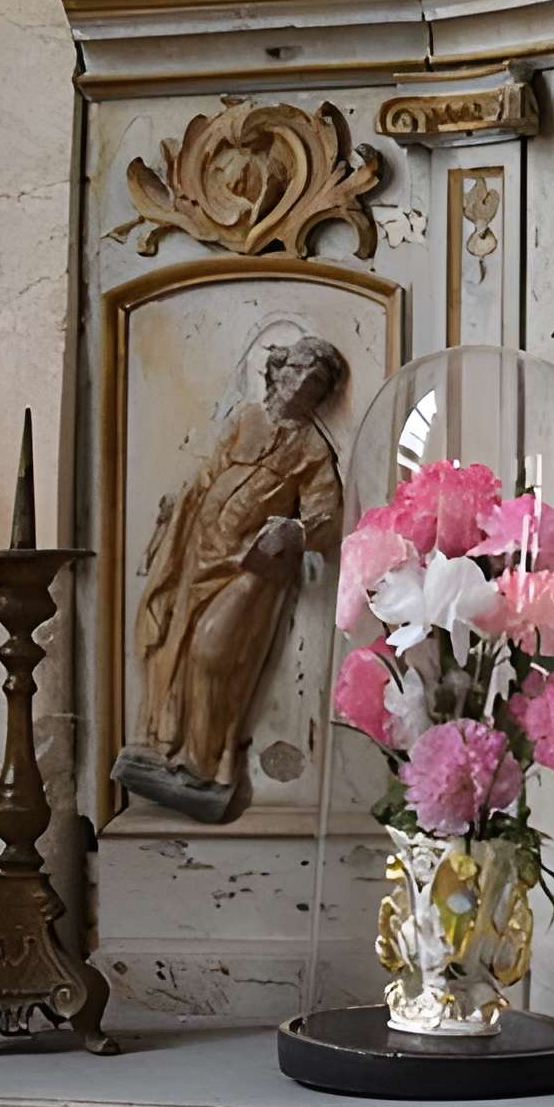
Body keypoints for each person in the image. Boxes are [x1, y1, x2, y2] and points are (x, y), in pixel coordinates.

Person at [114, 338, 348, 824]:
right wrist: (170, 521)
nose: (304, 382)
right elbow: (207, 477)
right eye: (299, 369)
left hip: (250, 569)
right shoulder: (246, 420)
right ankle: (171, 752)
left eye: (318, 381)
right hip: (197, 558)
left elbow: (326, 516)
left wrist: (295, 529)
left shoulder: (311, 447)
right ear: (278, 371)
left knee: (212, 652)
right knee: (172, 650)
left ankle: (207, 767)